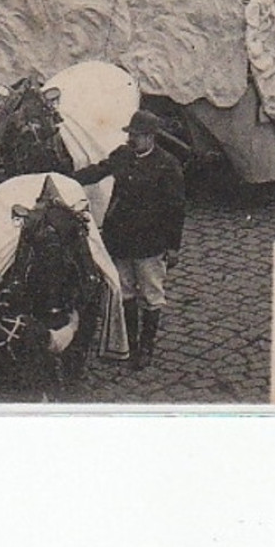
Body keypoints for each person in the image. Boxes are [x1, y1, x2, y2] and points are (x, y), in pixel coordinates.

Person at [73, 110, 185, 370]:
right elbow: (97, 172)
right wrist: (65, 177)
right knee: (125, 292)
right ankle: (131, 344)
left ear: (151, 137)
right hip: (120, 239)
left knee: (151, 294)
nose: (132, 140)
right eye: (131, 134)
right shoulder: (122, 156)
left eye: (137, 136)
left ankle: (146, 347)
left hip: (150, 243)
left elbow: (176, 208)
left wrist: (173, 247)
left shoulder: (167, 165)